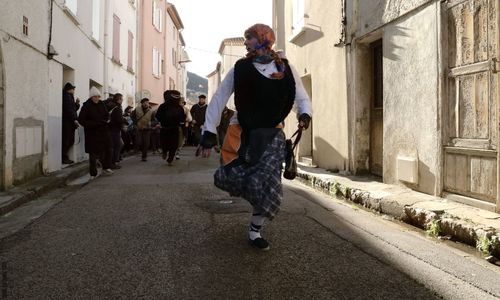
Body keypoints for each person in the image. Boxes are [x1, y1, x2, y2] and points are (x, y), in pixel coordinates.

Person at [198, 24, 312, 251]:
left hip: (272, 137)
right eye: (245, 38)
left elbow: (302, 97)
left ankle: (255, 230)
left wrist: (305, 114)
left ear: (263, 39)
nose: (245, 42)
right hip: (243, 134)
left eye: (248, 38)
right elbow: (219, 98)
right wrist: (209, 130)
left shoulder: (285, 68)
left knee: (269, 184)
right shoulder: (240, 68)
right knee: (234, 178)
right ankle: (254, 205)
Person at [78, 87, 114, 179]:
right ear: (91, 97)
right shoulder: (86, 106)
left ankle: (106, 167)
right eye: (95, 97)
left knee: (107, 150)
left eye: (98, 96)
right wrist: (94, 124)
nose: (97, 98)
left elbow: (106, 115)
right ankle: (93, 173)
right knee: (93, 154)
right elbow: (81, 120)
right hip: (92, 134)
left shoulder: (101, 104)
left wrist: (107, 120)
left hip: (103, 132)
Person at [156, 90, 185, 165]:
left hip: (174, 129)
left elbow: (182, 118)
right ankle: (164, 152)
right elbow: (158, 116)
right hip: (164, 128)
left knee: (174, 145)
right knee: (164, 143)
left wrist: (181, 124)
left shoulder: (180, 108)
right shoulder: (163, 106)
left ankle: (170, 159)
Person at [61, 82, 80, 164]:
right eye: (73, 89)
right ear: (69, 89)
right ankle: (64, 157)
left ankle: (65, 157)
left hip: (70, 122)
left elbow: (73, 109)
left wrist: (77, 103)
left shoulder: (70, 97)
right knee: (67, 140)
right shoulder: (66, 97)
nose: (74, 90)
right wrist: (74, 119)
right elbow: (69, 110)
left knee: (70, 140)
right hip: (67, 122)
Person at [108, 93, 124, 168]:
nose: (122, 100)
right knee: (117, 146)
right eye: (121, 99)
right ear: (118, 99)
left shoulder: (111, 106)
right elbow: (119, 120)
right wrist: (124, 122)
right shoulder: (117, 108)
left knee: (114, 146)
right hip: (115, 130)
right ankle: (113, 162)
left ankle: (113, 161)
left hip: (110, 129)